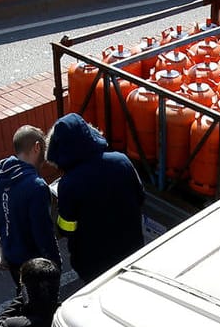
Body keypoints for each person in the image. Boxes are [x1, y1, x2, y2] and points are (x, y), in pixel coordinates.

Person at [46, 112, 146, 284]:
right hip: (132, 252)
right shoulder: (121, 161)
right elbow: (140, 198)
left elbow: (67, 228)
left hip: (94, 265)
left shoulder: (68, 184)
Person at [0, 126, 60, 289]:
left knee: (23, 296)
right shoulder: (36, 186)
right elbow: (43, 233)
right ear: (37, 147)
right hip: (36, 263)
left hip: (13, 258)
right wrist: (55, 264)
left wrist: (6, 240)